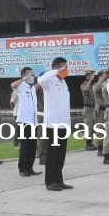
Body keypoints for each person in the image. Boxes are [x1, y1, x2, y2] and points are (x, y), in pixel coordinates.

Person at [38, 57, 73, 190]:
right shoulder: (49, 81)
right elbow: (40, 79)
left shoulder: (63, 82)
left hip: (63, 123)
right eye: (64, 67)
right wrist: (55, 71)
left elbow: (65, 105)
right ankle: (50, 181)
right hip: (53, 124)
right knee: (53, 154)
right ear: (57, 67)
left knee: (61, 154)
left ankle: (59, 180)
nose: (66, 70)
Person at [12, 66, 41, 177]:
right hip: (24, 121)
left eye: (32, 74)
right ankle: (22, 169)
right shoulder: (21, 86)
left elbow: (40, 84)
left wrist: (43, 77)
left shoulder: (32, 88)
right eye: (29, 74)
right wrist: (24, 78)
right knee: (25, 146)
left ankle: (30, 168)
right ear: (24, 75)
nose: (31, 76)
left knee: (32, 146)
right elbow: (12, 85)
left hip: (33, 121)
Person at [80, 70, 98, 151]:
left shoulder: (93, 85)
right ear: (88, 76)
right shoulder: (84, 84)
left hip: (94, 107)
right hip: (88, 108)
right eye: (92, 75)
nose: (93, 76)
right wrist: (90, 80)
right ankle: (88, 144)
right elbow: (85, 89)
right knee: (88, 126)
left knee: (93, 126)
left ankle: (91, 143)